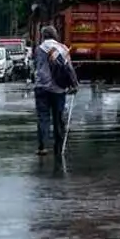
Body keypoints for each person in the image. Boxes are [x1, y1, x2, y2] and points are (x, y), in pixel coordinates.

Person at [33, 25, 71, 156]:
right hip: (59, 89)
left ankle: (42, 146)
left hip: (42, 88)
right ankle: (58, 147)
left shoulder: (39, 49)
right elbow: (69, 69)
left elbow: (36, 65)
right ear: (55, 34)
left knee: (43, 117)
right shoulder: (63, 48)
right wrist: (73, 85)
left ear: (43, 36)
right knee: (58, 117)